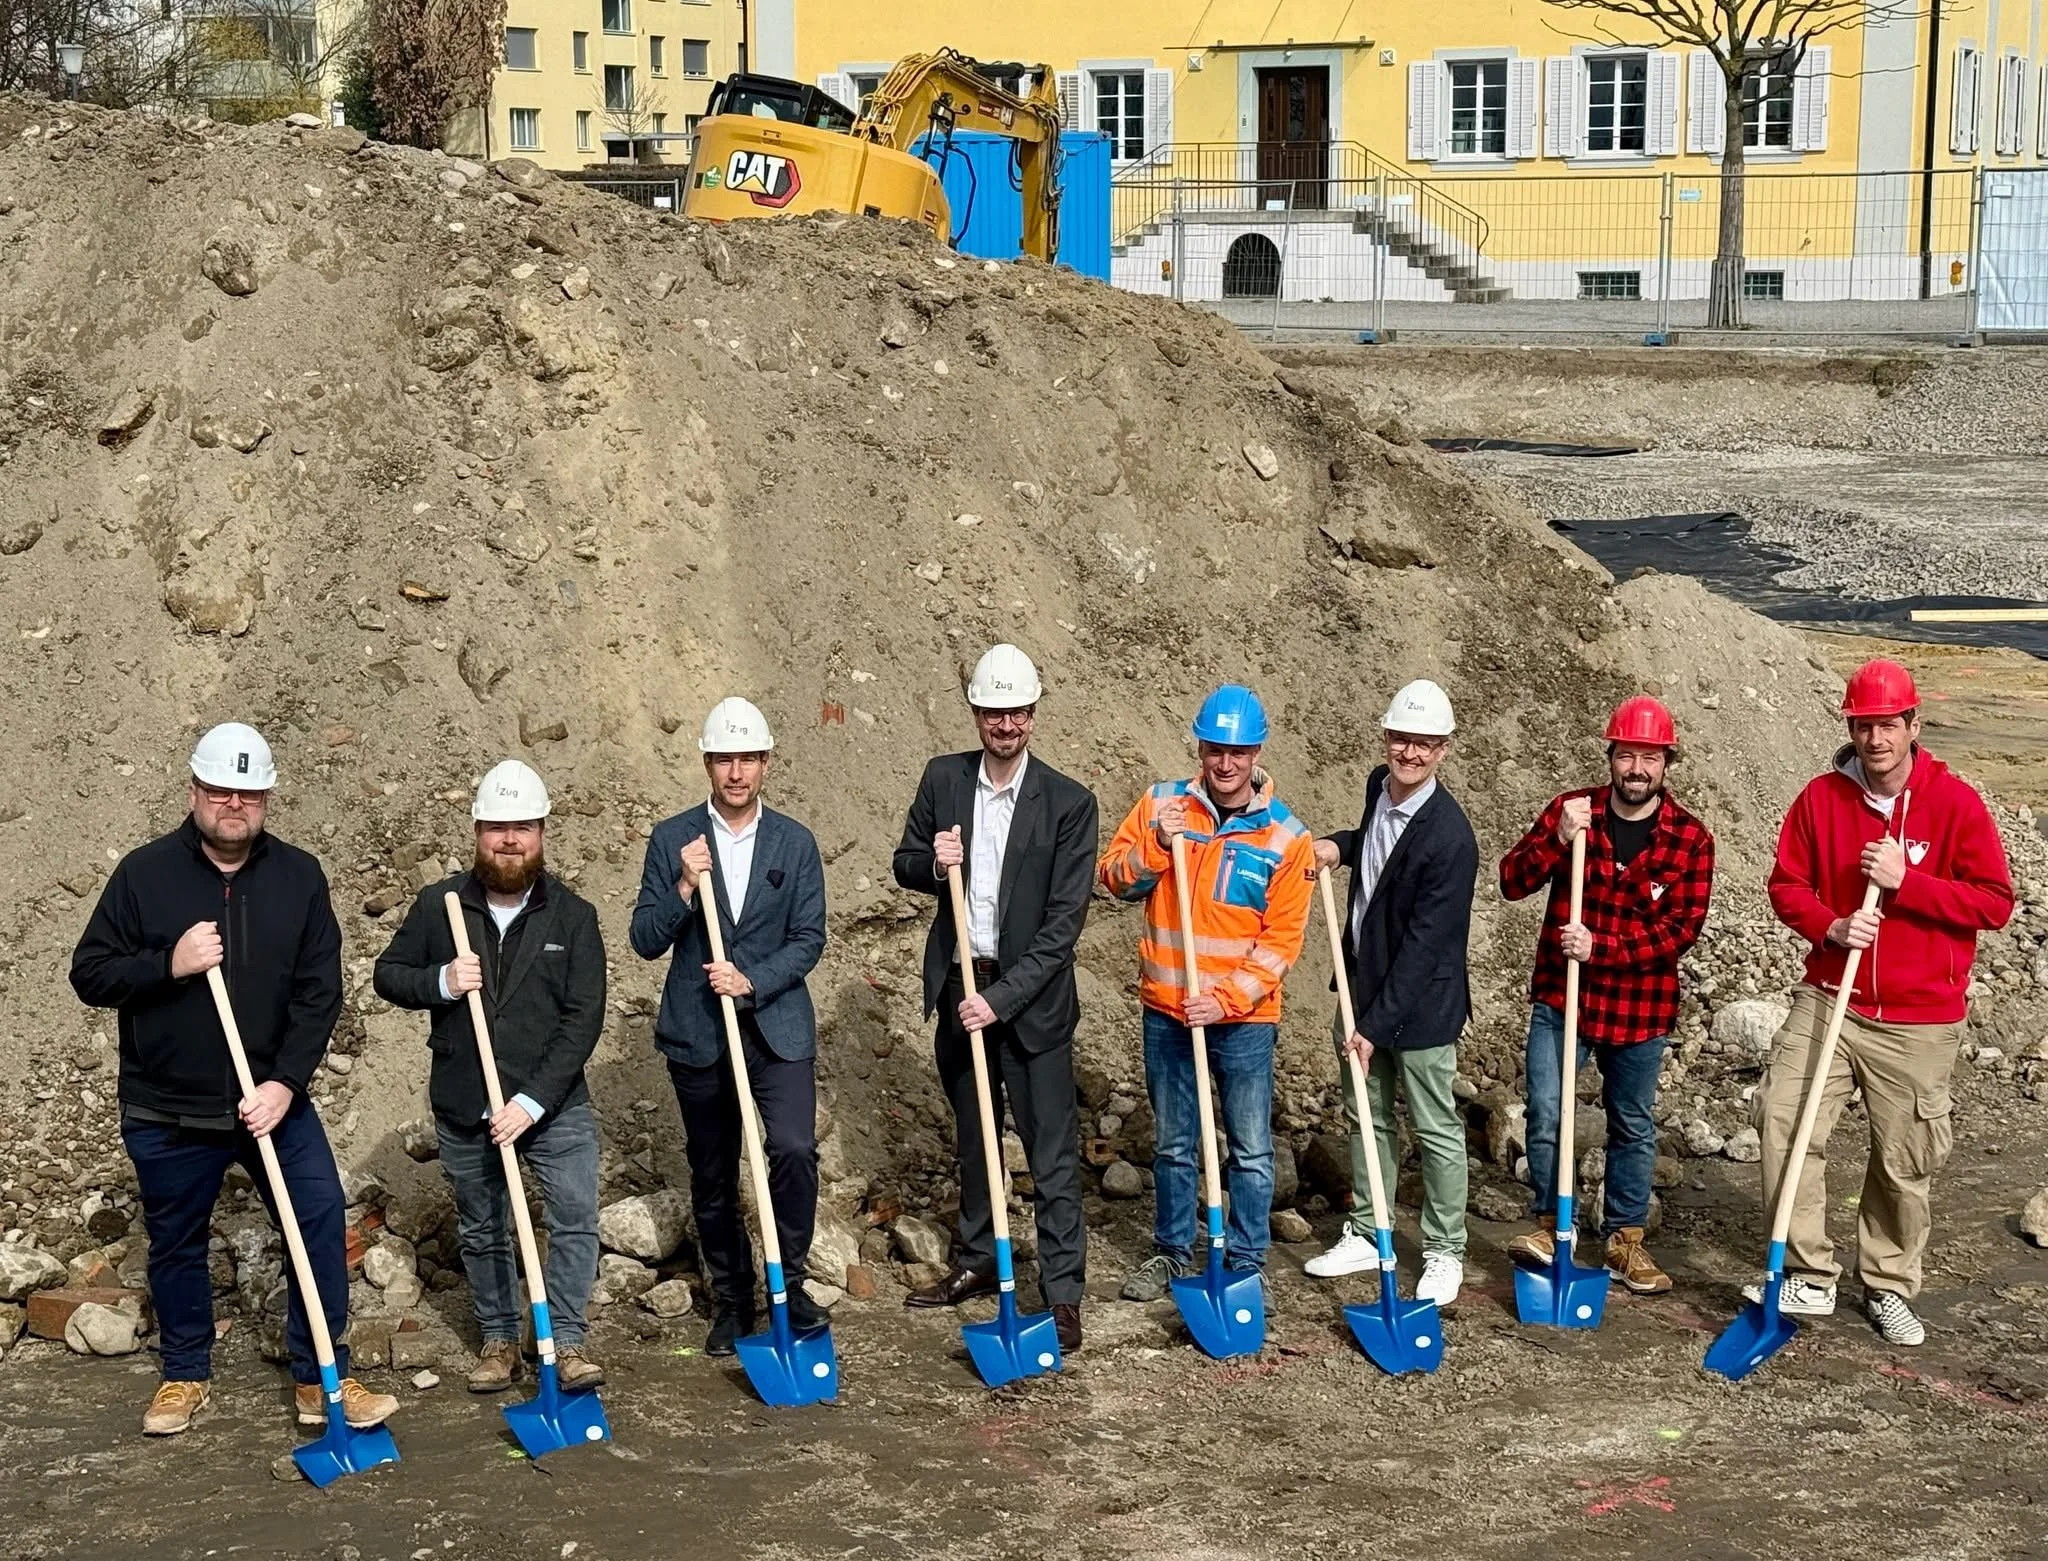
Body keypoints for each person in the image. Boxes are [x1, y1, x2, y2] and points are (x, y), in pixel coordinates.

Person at [69, 723, 397, 1437]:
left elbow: (320, 992)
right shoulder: (144, 874)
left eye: (249, 792)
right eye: (220, 789)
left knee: (315, 1219)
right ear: (194, 792)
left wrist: (285, 1082)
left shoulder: (300, 876)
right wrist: (169, 963)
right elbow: (89, 972)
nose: (234, 803)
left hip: (271, 1101)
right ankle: (184, 1371)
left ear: (268, 798)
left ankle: (321, 1376)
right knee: (178, 1240)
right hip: (168, 1106)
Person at [1749, 659, 2012, 1346]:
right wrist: (1830, 926)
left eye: (1888, 725)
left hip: (1920, 1018)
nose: (1875, 738)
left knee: (1903, 1158)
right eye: (1863, 725)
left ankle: (1889, 1283)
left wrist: (1908, 883)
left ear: (1913, 725)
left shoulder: (1954, 804)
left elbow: (1995, 902)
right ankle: (1807, 1267)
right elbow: (1787, 885)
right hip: (1832, 993)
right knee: (1785, 1114)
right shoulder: (1820, 799)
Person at [373, 760, 608, 1392]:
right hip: (466, 1099)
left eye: (523, 828)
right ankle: (501, 1339)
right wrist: (442, 982)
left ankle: (565, 1339)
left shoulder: (573, 917)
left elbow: (584, 1019)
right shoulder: (440, 906)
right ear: (477, 831)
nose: (510, 841)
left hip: (551, 1104)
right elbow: (387, 974)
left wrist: (531, 1101)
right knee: (483, 1227)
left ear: (542, 834)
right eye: (497, 828)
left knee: (575, 1217)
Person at [891, 645, 1099, 1352]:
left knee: (1050, 1151)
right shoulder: (944, 780)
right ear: (977, 714)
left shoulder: (1069, 803)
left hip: (1029, 1000)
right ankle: (982, 1258)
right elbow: (904, 861)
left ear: (1033, 715)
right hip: (959, 980)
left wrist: (999, 999)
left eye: (1015, 711)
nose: (1004, 723)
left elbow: (1062, 925)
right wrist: (932, 863)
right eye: (992, 711)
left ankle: (1063, 1292)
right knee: (976, 1136)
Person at [1099, 686, 1316, 1303]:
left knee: (1249, 1148)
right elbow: (1112, 879)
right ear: (1200, 746)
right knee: (1173, 1142)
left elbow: (1281, 942)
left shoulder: (1285, 836)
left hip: (1244, 1020)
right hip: (1167, 1010)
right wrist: (1153, 848)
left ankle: (1246, 1261)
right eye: (1215, 750)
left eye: (1238, 753)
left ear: (1256, 754)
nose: (1225, 764)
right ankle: (1171, 1252)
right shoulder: (1162, 805)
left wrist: (1223, 1000)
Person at [630, 698, 829, 1356]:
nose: (736, 771)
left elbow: (809, 939)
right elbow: (644, 939)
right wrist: (685, 887)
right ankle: (734, 1296)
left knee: (794, 1148)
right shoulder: (673, 839)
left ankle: (788, 1283)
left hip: (775, 1025)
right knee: (713, 1168)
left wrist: (753, 979)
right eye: (724, 758)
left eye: (747, 758)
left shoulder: (795, 842)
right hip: (700, 1029)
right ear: (707, 763)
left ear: (766, 762)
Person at [1497, 697, 1715, 1296]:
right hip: (1563, 1000)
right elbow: (1511, 881)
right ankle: (1551, 1224)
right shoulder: (1573, 814)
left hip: (1640, 1007)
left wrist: (1604, 947)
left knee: (1633, 1125)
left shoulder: (1691, 840)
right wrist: (1557, 843)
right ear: (1611, 757)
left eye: (1649, 756)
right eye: (1626, 755)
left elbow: (1680, 930)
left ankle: (1624, 1239)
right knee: (1546, 1110)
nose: (1637, 768)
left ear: (1666, 762)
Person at [1302, 681, 1478, 1306]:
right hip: (1362, 985)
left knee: (1434, 1126)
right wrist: (1338, 845)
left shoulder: (1451, 841)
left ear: (1444, 751)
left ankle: (1444, 1249)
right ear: (1387, 738)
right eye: (1402, 738)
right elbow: (1375, 850)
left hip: (1421, 1005)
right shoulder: (1379, 784)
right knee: (1364, 1116)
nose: (1410, 753)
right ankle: (1367, 1231)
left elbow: (1425, 950)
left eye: (1424, 744)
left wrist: (1373, 1029)